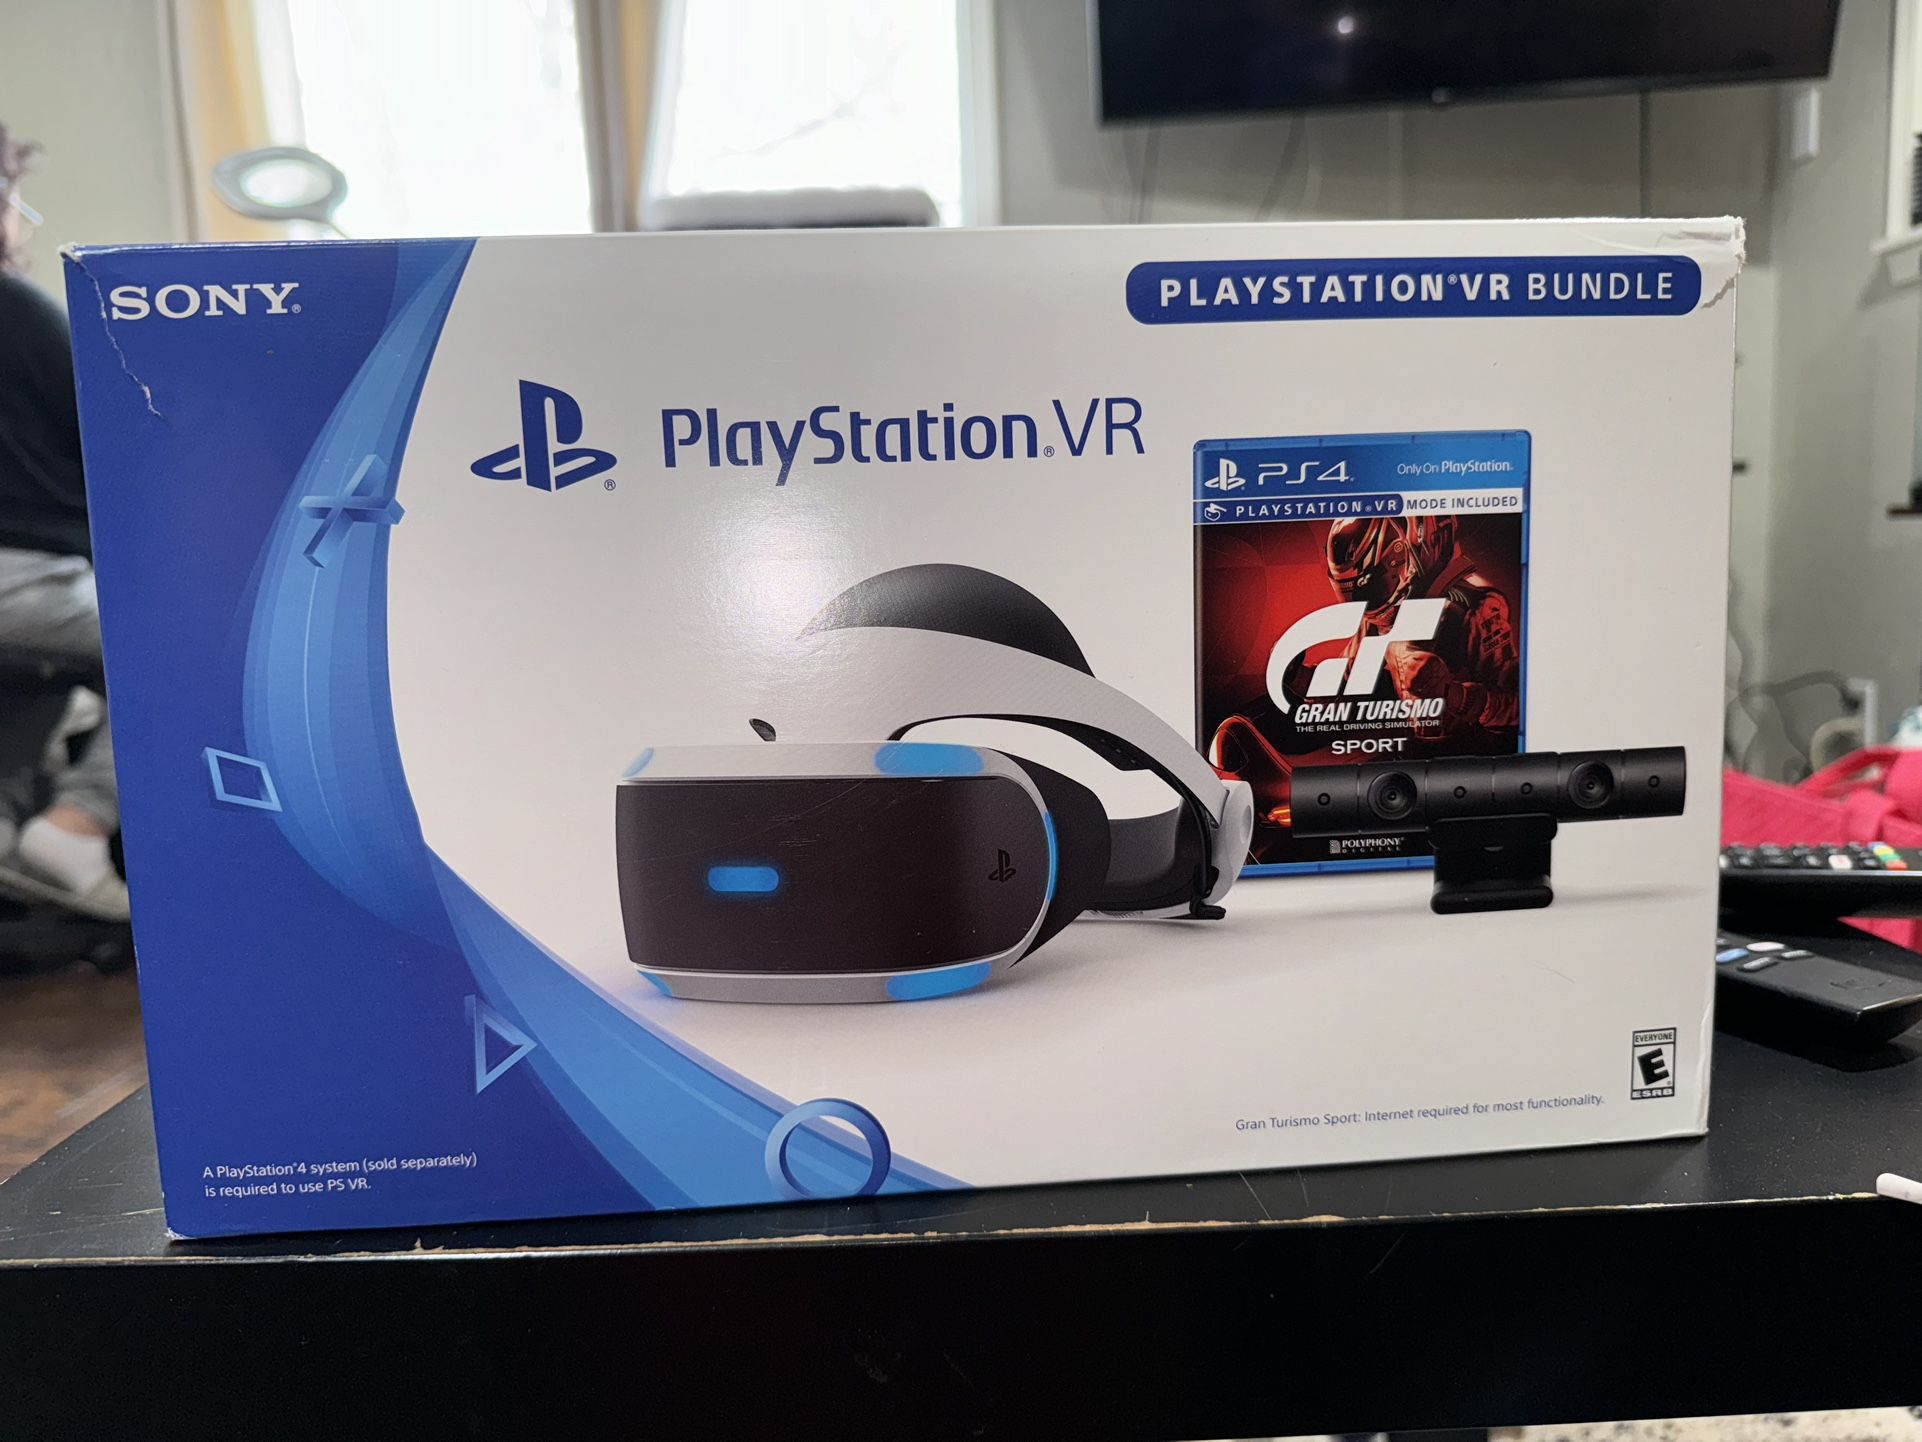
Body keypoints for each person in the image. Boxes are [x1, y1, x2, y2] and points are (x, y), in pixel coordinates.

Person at [0, 123, 128, 922]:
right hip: (25, 580)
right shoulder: (17, 311)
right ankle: (78, 822)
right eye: (15, 200)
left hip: (22, 596)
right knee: (180, 644)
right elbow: (113, 438)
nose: (23, 221)